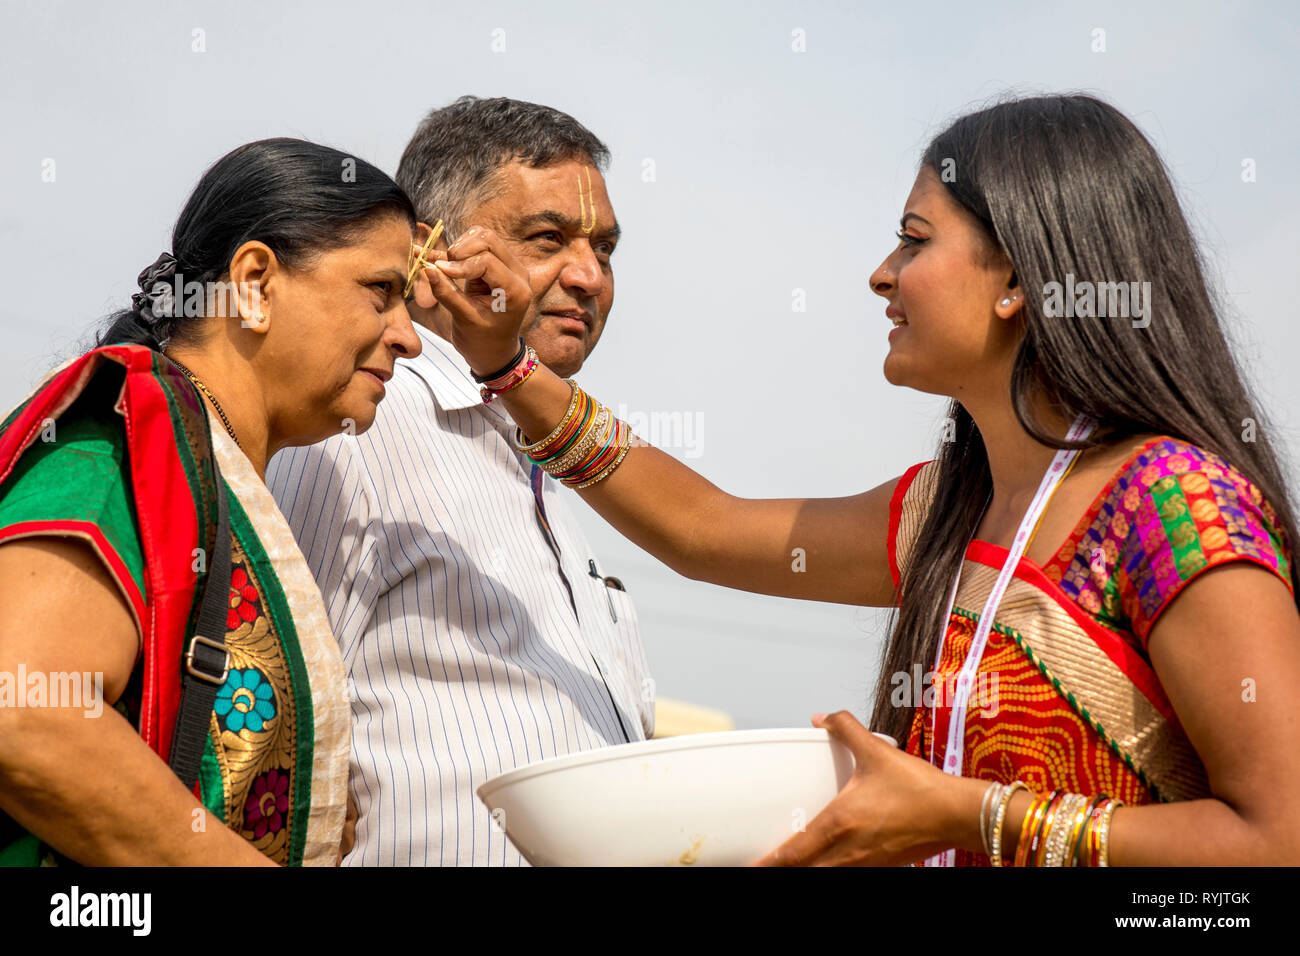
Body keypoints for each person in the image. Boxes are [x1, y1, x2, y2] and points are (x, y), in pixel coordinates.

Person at [414, 93, 1300, 866]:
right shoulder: (948, 514)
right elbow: (703, 531)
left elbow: (1279, 843)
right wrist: (509, 371)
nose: (883, 275)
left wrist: (970, 816)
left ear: (1018, 281)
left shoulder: (1174, 506)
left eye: (913, 242)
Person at [0, 138, 422, 866]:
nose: (410, 338)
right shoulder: (120, 435)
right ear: (254, 282)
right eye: (379, 293)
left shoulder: (216, 483)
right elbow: (26, 713)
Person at [266, 97, 653, 867]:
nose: (589, 276)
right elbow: (266, 725)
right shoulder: (358, 426)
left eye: (605, 250)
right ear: (426, 253)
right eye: (548, 239)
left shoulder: (540, 457)